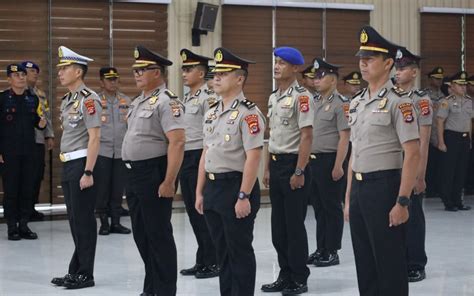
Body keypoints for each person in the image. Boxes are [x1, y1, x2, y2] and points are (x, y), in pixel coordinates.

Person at [344, 26, 420, 296]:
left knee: (389, 264)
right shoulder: (357, 102)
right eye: (361, 58)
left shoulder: (399, 102)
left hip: (385, 187)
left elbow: (412, 153)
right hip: (361, 189)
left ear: (388, 63)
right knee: (365, 264)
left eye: (370, 58)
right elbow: (355, 152)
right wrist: (349, 197)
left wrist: (402, 201)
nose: (362, 63)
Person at [195, 47, 265, 296]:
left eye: (223, 74)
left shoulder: (249, 114)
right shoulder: (212, 112)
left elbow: (254, 156)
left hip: (236, 187)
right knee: (221, 253)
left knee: (239, 252)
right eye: (215, 74)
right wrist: (199, 192)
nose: (216, 78)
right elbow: (206, 152)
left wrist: (244, 195)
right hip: (213, 188)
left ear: (239, 78)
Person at [122, 45, 185, 296]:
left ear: (157, 72)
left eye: (142, 70)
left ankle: (166, 290)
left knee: (158, 235)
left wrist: (169, 181)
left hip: (153, 173)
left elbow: (177, 142)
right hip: (134, 173)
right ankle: (152, 288)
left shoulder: (167, 101)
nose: (136, 74)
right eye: (135, 70)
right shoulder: (138, 101)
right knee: (142, 235)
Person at [261, 47, 314, 295]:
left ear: (295, 68)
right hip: (277, 163)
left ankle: (299, 277)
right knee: (278, 228)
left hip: (294, 164)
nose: (276, 66)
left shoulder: (303, 97)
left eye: (282, 63)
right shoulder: (274, 97)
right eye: (276, 62)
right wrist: (268, 167)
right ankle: (284, 274)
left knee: (294, 226)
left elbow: (306, 136)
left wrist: (300, 170)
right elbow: (272, 136)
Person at [51, 46, 102, 289]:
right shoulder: (68, 100)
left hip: (83, 164)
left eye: (65, 68)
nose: (60, 72)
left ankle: (86, 274)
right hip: (69, 163)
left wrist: (89, 171)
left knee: (83, 221)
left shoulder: (89, 99)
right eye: (60, 68)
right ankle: (75, 270)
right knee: (74, 220)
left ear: (78, 72)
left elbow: (94, 138)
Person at [178, 48, 219, 279]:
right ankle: (202, 258)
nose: (184, 73)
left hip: (199, 157)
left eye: (189, 69)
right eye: (183, 69)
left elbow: (211, 134)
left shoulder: (208, 98)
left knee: (202, 212)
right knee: (194, 214)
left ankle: (212, 261)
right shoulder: (187, 98)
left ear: (202, 73)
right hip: (186, 156)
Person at [307, 58, 349, 267]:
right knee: (319, 208)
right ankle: (321, 247)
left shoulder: (340, 104)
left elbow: (344, 137)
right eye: (315, 76)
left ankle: (332, 250)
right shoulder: (314, 102)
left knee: (332, 207)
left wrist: (339, 165)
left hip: (330, 160)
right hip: (313, 161)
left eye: (321, 76)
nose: (316, 80)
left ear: (333, 80)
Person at [395, 47, 432, 282]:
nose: (398, 72)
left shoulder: (421, 100)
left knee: (413, 217)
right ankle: (398, 261)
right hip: (390, 166)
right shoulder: (389, 97)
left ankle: (416, 262)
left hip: (411, 166)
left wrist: (420, 175)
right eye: (396, 68)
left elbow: (424, 141)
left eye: (403, 68)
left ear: (415, 72)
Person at [0, 64, 46, 241]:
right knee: (11, 190)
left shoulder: (32, 99)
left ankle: (24, 225)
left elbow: (36, 121)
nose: (21, 78)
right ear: (8, 79)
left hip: (29, 151)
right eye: (16, 75)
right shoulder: (3, 99)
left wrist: (41, 123)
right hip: (8, 153)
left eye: (22, 74)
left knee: (27, 189)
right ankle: (12, 226)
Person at [95, 67, 131, 235]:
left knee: (118, 189)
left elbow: (131, 127)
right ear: (101, 82)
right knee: (102, 189)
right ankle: (103, 223)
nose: (113, 82)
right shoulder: (94, 101)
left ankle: (116, 222)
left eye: (115, 79)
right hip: (102, 151)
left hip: (120, 152)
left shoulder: (126, 101)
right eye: (109, 79)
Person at [21, 61, 54, 222]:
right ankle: (21, 210)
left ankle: (31, 207)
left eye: (35, 71)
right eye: (29, 71)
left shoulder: (40, 94)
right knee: (22, 176)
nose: (33, 73)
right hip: (21, 141)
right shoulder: (14, 93)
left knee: (36, 175)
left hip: (38, 140)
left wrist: (49, 136)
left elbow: (46, 116)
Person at [436, 71, 473, 211]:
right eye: (460, 85)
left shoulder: (469, 101)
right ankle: (448, 201)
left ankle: (458, 200)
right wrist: (441, 141)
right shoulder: (447, 102)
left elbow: (469, 121)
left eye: (464, 85)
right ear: (452, 86)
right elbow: (440, 121)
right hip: (451, 137)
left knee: (461, 171)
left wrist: (469, 139)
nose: (463, 88)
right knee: (449, 171)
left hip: (464, 138)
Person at [425, 66, 445, 198]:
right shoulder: (424, 94)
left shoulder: (444, 96)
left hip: (440, 135)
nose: (439, 82)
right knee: (429, 164)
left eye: (440, 79)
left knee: (440, 165)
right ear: (430, 79)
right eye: (436, 79)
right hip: (427, 134)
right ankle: (429, 189)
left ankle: (438, 188)